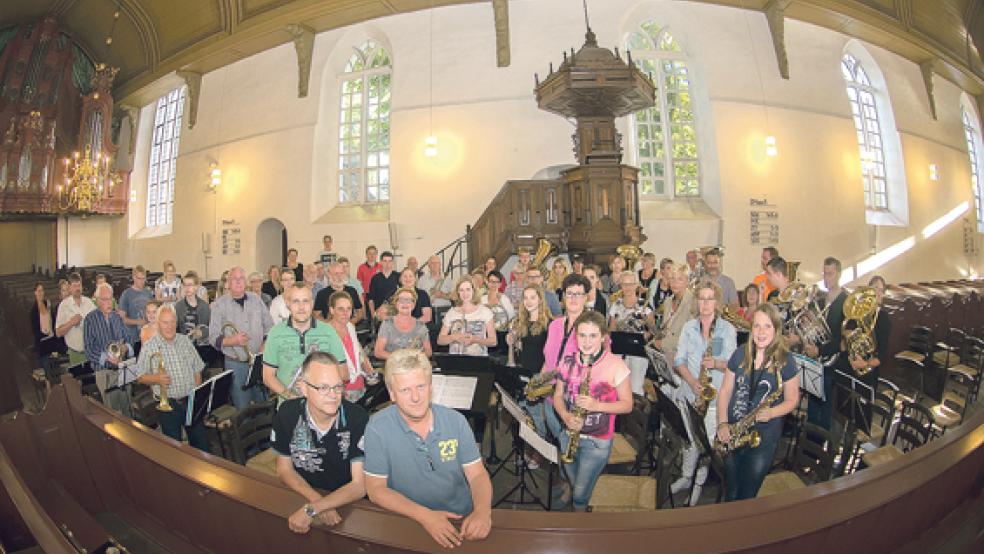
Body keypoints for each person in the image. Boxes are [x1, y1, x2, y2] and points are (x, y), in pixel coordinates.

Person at [364, 349, 492, 549]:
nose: (416, 397)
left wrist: (483, 511)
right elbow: (375, 489)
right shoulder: (377, 428)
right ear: (392, 393)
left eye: (421, 386)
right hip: (409, 521)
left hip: (460, 520)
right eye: (405, 390)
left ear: (431, 386)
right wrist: (426, 517)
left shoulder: (456, 421)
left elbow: (477, 475)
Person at [273, 351, 369, 534]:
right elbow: (284, 469)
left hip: (348, 503)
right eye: (323, 388)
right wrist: (316, 502)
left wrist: (315, 508)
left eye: (338, 387)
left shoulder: (357, 417)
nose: (333, 395)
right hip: (303, 493)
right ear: (303, 388)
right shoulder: (287, 414)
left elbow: (360, 485)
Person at [716, 303, 800, 501]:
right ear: (751, 328)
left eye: (767, 326)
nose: (761, 332)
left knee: (746, 496)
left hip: (762, 440)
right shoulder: (740, 353)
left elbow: (792, 400)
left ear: (776, 329)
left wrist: (772, 412)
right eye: (757, 326)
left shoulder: (786, 360)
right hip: (733, 433)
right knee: (731, 491)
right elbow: (725, 390)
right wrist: (722, 423)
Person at [552, 311, 633, 511]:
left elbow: (627, 404)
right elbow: (557, 396)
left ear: (604, 337)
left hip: (597, 442)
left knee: (580, 495)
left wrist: (597, 406)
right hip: (568, 434)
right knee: (574, 482)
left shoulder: (616, 365)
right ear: (575, 335)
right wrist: (565, 416)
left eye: (593, 336)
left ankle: (580, 527)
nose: (586, 342)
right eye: (582, 335)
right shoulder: (567, 360)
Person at [672, 279, 737, 505]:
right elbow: (679, 360)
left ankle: (698, 485)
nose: (706, 303)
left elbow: (733, 364)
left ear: (717, 302)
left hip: (714, 396)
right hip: (690, 392)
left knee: (705, 445)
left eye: (710, 299)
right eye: (702, 298)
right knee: (689, 440)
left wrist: (716, 364)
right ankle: (685, 477)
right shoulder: (689, 327)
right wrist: (691, 382)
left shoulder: (727, 329)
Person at [133, 306, 208, 451]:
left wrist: (196, 394)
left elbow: (197, 368)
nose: (169, 326)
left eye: (172, 322)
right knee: (175, 451)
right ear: (158, 323)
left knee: (201, 446)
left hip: (190, 402)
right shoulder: (149, 346)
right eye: (165, 322)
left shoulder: (184, 340)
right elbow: (140, 376)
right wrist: (156, 378)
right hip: (168, 406)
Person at [263, 284, 347, 404]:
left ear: (312, 303)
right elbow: (268, 376)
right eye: (296, 301)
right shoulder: (275, 333)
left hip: (324, 404)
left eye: (306, 301)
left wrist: (321, 388)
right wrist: (291, 397)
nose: (301, 307)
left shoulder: (328, 332)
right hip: (289, 406)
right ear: (288, 303)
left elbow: (343, 373)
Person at [209, 267, 274, 409]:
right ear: (228, 283)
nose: (238, 282)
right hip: (235, 364)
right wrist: (233, 341)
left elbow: (270, 326)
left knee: (263, 404)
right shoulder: (219, 305)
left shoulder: (256, 299)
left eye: (241, 279)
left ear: (246, 282)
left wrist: (264, 346)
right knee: (242, 408)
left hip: (258, 361)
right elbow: (213, 338)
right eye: (234, 279)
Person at [805, 257, 848, 432]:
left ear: (838, 274)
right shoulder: (820, 300)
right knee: (813, 405)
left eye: (830, 274)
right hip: (816, 361)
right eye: (824, 273)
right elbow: (815, 329)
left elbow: (842, 340)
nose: (826, 278)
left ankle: (820, 446)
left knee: (825, 406)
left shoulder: (846, 301)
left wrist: (820, 350)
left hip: (832, 362)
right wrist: (808, 341)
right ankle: (808, 444)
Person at [608, 270, 655, 396]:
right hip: (619, 352)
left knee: (636, 389)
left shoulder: (644, 305)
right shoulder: (615, 305)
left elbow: (652, 330)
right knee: (618, 388)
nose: (627, 288)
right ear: (621, 286)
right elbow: (611, 329)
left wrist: (644, 336)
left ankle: (637, 415)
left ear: (636, 285)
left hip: (638, 353)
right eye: (624, 284)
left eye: (631, 284)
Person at [326, 291, 378, 402]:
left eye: (348, 309)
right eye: (341, 309)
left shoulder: (350, 326)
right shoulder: (326, 333)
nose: (345, 313)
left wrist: (366, 363)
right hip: (339, 388)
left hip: (358, 383)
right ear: (332, 310)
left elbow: (358, 350)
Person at [847, 275, 891, 389]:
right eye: (875, 288)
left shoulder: (884, 318)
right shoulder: (858, 312)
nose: (878, 292)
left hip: (869, 369)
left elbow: (882, 354)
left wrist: (866, 364)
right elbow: (847, 337)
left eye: (881, 290)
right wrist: (852, 357)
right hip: (852, 364)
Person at [438, 277, 496, 356]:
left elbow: (493, 341)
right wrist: (453, 337)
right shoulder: (451, 312)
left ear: (473, 291)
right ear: (458, 292)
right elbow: (440, 340)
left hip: (478, 361)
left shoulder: (485, 312)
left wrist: (476, 340)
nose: (465, 294)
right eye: (461, 290)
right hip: (456, 361)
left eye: (468, 289)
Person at [652, 263, 695, 364]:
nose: (675, 283)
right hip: (668, 355)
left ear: (687, 281)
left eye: (680, 279)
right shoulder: (668, 301)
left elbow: (691, 337)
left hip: (686, 358)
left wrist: (663, 343)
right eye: (672, 278)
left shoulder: (694, 302)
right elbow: (666, 329)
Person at [375, 287, 433, 359]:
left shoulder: (420, 325)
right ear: (396, 304)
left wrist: (416, 358)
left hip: (415, 366)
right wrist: (401, 359)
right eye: (401, 300)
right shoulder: (387, 324)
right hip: (394, 367)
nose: (405, 303)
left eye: (408, 300)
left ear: (413, 305)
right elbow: (378, 352)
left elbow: (428, 351)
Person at [55, 273, 96, 366]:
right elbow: (58, 333)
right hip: (75, 353)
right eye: (74, 285)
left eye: (79, 285)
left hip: (92, 351)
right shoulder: (64, 306)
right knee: (79, 379)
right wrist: (71, 323)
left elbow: (98, 322)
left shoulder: (88, 302)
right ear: (69, 287)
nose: (77, 288)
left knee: (93, 379)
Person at [174, 271, 214, 365]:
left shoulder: (204, 306)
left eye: (190, 285)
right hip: (184, 349)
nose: (187, 288)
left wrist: (201, 333)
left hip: (202, 349)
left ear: (196, 287)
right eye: (185, 285)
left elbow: (211, 328)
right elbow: (176, 329)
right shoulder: (178, 306)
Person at [31, 282, 64, 383]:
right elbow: (35, 330)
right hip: (43, 345)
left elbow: (54, 321)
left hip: (52, 343)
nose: (41, 293)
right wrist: (45, 334)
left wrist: (53, 334)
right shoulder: (33, 311)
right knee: (49, 376)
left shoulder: (48, 304)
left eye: (42, 290)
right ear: (35, 293)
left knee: (58, 372)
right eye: (39, 291)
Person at [118, 265, 153, 346]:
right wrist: (138, 322)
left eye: (143, 278)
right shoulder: (126, 294)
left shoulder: (148, 293)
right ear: (133, 277)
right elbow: (121, 320)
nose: (142, 281)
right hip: (133, 338)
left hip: (148, 335)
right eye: (139, 278)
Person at [368, 251, 400, 321]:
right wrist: (373, 314)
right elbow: (371, 299)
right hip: (380, 315)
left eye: (389, 261)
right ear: (381, 262)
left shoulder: (399, 276)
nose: (387, 264)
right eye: (385, 261)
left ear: (392, 262)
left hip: (395, 315)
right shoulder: (375, 278)